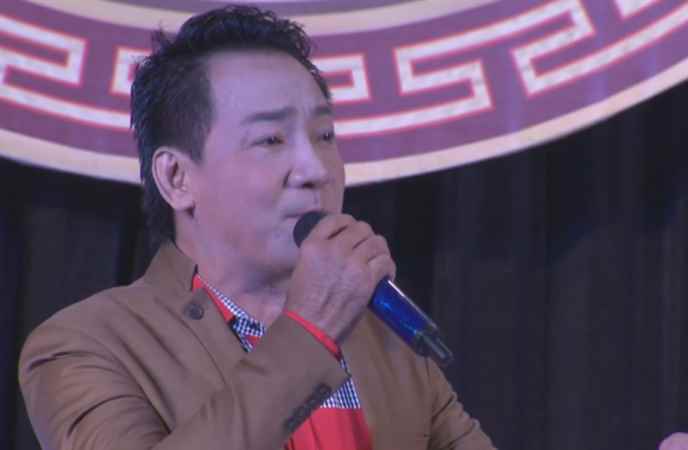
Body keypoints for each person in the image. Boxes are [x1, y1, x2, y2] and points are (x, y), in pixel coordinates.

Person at [18, 5, 495, 450]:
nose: (315, 169)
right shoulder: (85, 344)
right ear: (177, 178)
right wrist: (310, 330)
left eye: (325, 135)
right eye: (270, 139)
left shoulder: (386, 340)